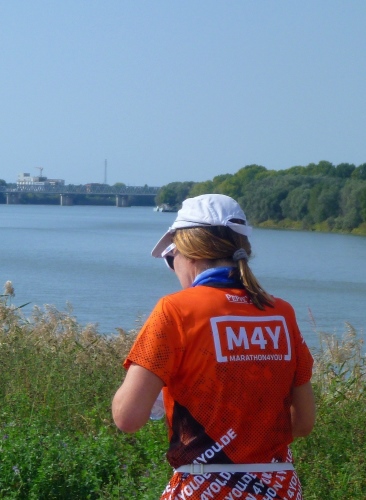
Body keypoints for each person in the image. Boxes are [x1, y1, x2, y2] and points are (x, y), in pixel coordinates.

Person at [112, 194, 316, 500]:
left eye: (170, 258)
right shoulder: (281, 313)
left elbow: (127, 418)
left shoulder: (175, 310)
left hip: (205, 487)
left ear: (189, 255)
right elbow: (302, 423)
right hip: (278, 488)